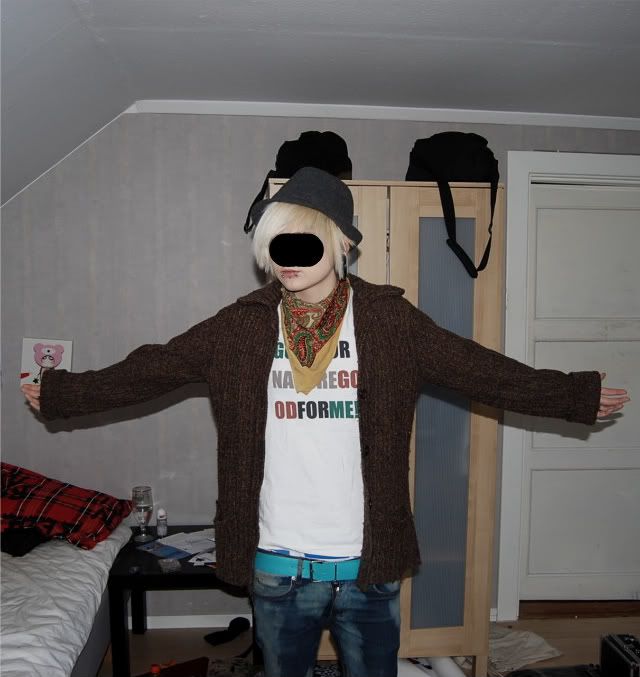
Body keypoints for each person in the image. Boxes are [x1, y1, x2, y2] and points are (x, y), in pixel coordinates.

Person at [21, 167, 629, 677]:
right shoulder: (240, 327)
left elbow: (479, 368)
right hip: (277, 561)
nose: (285, 259)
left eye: (302, 243)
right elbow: (153, 366)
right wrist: (63, 391)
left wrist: (571, 394)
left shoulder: (388, 322)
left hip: (368, 560)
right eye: (275, 244)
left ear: (341, 243)